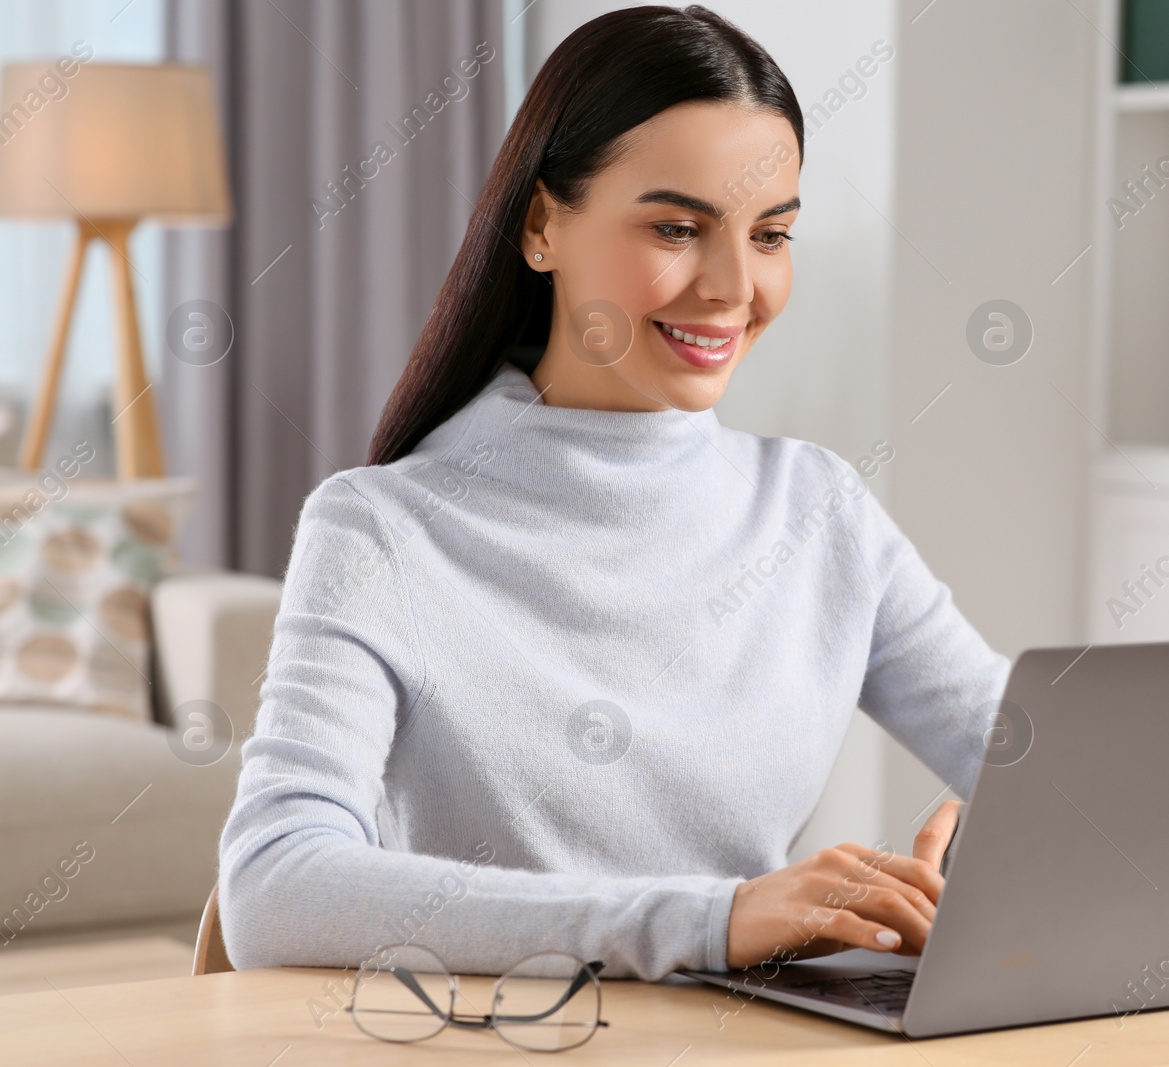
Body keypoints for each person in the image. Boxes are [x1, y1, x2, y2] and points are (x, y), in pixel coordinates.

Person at [218, 4, 1009, 981]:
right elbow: (272, 891)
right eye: (677, 227)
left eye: (770, 235)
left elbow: (1041, 765)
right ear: (544, 224)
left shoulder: (817, 507)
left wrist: (993, 867)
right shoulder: (383, 529)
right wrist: (711, 919)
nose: (731, 285)